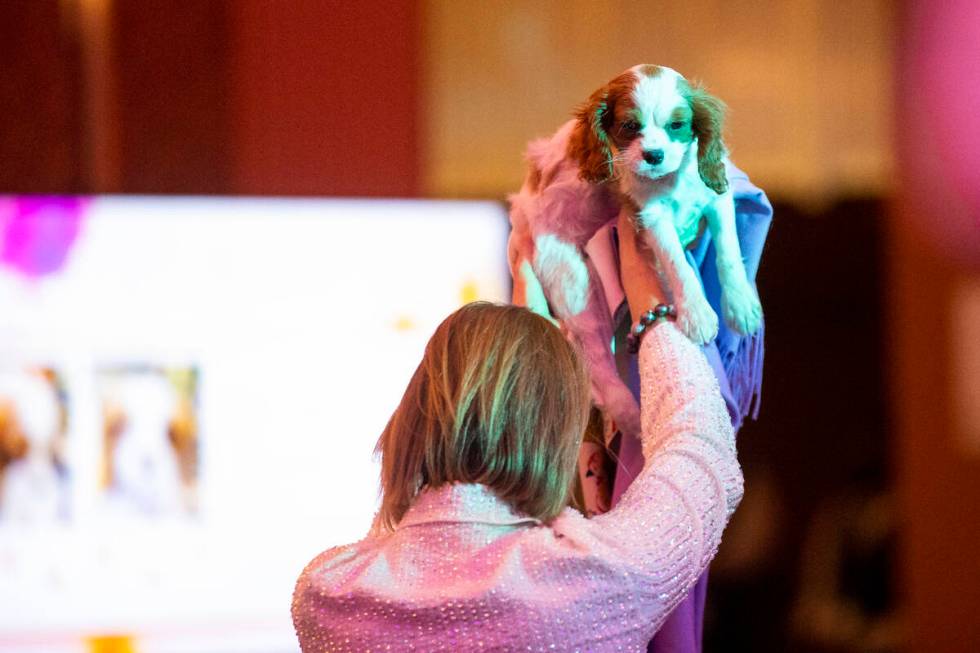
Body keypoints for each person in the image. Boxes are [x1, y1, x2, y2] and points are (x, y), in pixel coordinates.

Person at [291, 220, 743, 652]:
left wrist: (529, 359)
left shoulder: (328, 592)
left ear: (414, 416)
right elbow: (701, 447)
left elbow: (399, 531)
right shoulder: (599, 576)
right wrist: (649, 302)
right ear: (555, 437)